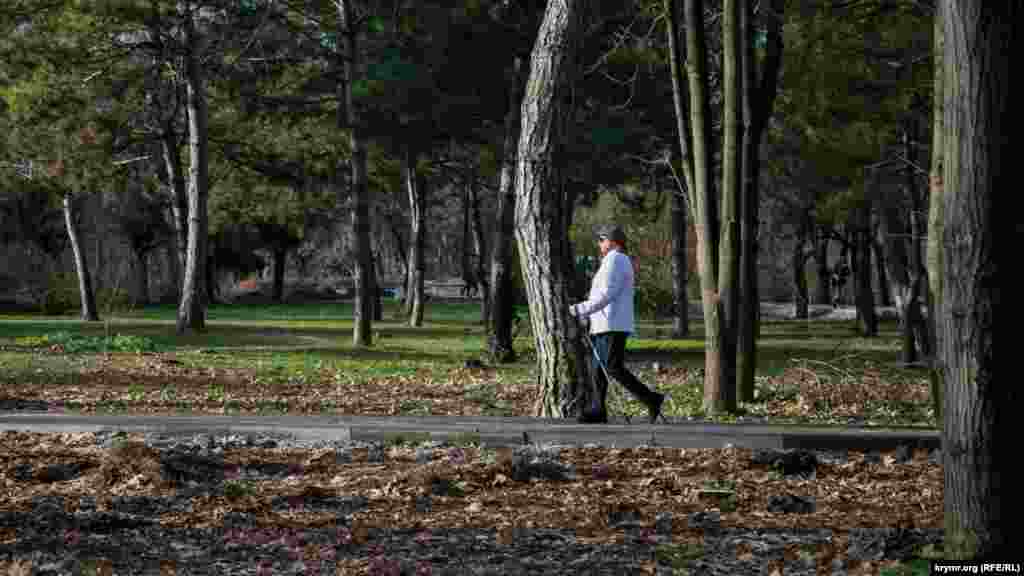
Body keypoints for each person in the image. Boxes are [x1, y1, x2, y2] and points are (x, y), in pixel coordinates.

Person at [569, 223, 665, 424]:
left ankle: (651, 398)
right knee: (597, 368)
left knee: (612, 367)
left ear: (612, 241)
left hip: (612, 324)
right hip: (605, 323)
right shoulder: (613, 261)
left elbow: (607, 294)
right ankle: (598, 409)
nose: (599, 244)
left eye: (601, 240)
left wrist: (580, 309)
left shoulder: (616, 260)